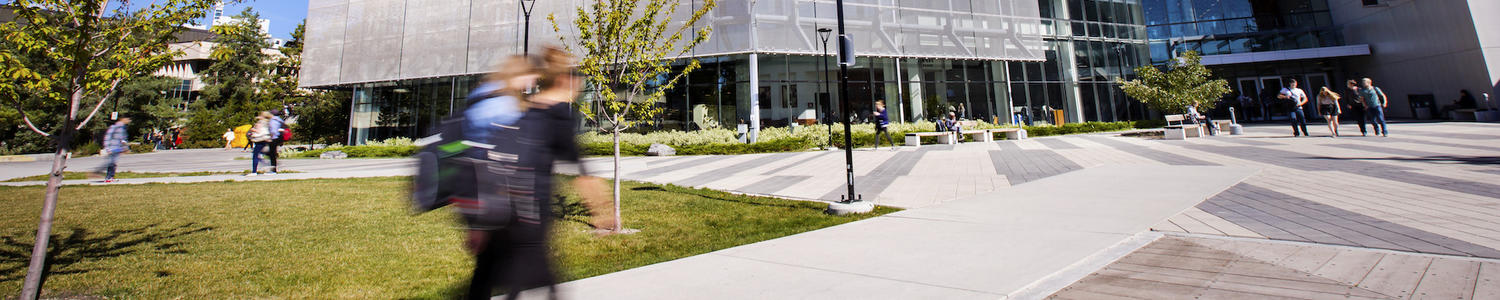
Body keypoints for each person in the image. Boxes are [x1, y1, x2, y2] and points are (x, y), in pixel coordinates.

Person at [464, 47, 608, 300]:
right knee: (543, 285)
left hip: (498, 210)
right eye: (579, 85)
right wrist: (601, 211)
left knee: (489, 278)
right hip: (528, 216)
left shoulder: (522, 107)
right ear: (565, 80)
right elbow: (582, 172)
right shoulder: (560, 114)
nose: (579, 91)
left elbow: (491, 158)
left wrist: (479, 223)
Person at [95, 117, 130, 183]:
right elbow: (107, 137)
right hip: (112, 148)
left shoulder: (122, 128)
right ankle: (107, 177)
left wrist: (125, 147)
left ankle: (110, 177)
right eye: (127, 119)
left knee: (113, 163)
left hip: (117, 148)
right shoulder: (114, 127)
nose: (128, 121)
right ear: (122, 119)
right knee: (111, 163)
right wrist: (107, 147)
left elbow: (123, 139)